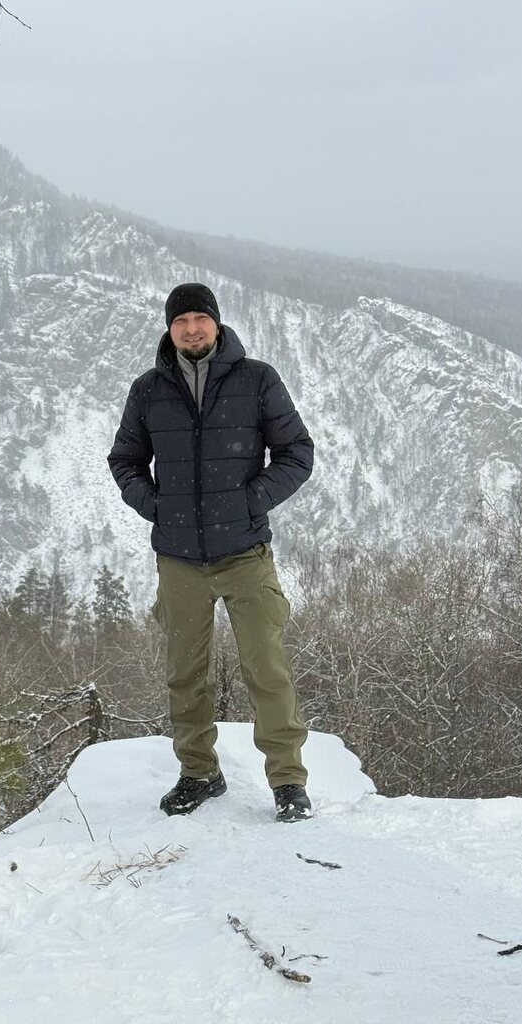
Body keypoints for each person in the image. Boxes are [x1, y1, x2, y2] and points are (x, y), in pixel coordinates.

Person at [107, 283, 315, 822]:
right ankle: (199, 772)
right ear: (169, 329)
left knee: (266, 669)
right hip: (178, 558)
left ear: (217, 323)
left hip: (245, 553)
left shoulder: (257, 379)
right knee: (185, 675)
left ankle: (288, 781)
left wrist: (250, 501)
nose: (191, 328)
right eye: (181, 321)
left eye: (200, 318)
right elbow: (124, 460)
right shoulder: (148, 390)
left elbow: (297, 452)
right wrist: (157, 506)